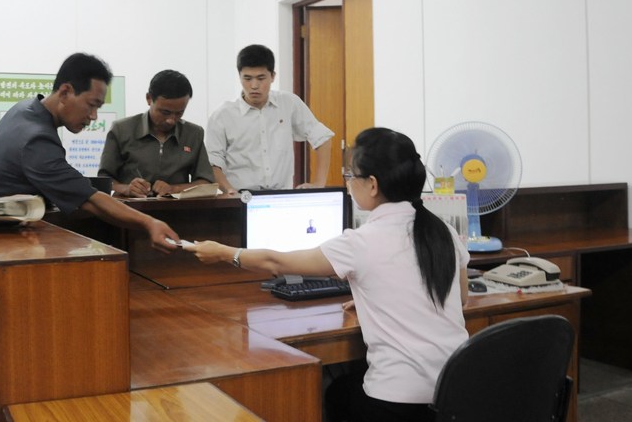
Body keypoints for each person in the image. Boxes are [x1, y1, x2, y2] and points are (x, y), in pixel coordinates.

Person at [185, 127, 469, 422]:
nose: (348, 185)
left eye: (351, 176)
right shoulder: (443, 231)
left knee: (336, 393)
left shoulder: (361, 242)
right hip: (456, 393)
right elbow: (460, 297)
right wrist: (380, 300)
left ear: (372, 185)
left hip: (396, 402)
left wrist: (223, 252)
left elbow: (276, 262)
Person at [0, 53, 180, 251]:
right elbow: (91, 200)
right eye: (91, 105)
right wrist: (150, 223)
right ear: (64, 93)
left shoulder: (25, 108)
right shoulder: (37, 140)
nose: (93, 116)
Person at [206, 44, 334, 194]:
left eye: (261, 78)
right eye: (247, 78)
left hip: (281, 197)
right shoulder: (222, 115)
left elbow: (323, 138)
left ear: (273, 76)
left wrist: (319, 184)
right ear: (239, 76)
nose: (254, 86)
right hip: (240, 197)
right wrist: (229, 190)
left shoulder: (288, 103)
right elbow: (213, 163)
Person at [98, 69, 214, 197]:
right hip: (130, 210)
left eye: (179, 113)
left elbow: (206, 183)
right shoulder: (121, 130)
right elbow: (105, 180)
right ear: (149, 99)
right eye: (165, 112)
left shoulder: (193, 134)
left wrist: (174, 189)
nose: (171, 120)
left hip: (178, 211)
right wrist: (127, 189)